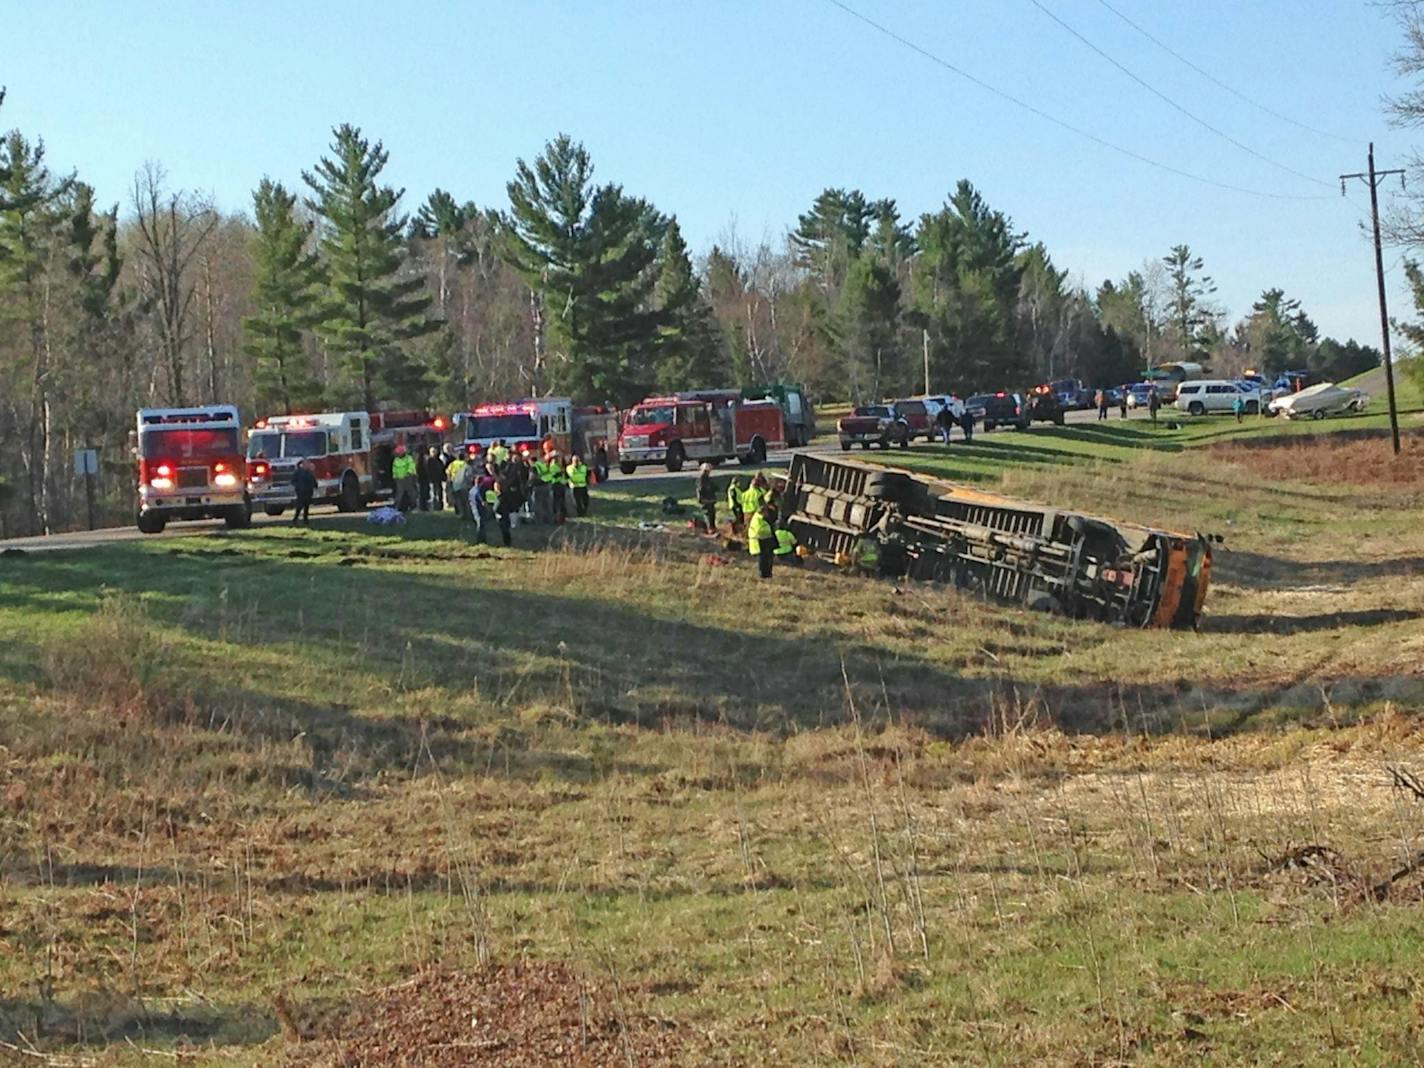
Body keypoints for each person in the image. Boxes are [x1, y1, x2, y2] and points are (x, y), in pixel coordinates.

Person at [747, 502, 776, 579]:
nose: (768, 514)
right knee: (763, 558)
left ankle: (767, 573)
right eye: (767, 512)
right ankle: (763, 574)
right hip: (760, 540)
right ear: (763, 512)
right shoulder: (758, 519)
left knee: (766, 558)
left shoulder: (760, 517)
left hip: (763, 539)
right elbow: (760, 530)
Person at [391, 444, 418, 512]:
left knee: (411, 492)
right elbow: (394, 469)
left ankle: (414, 506)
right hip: (399, 479)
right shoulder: (396, 460)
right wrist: (395, 477)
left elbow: (411, 467)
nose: (398, 454)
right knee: (399, 493)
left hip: (408, 478)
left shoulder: (408, 458)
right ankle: (398, 507)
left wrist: (408, 474)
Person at [291, 459, 317, 525]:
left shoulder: (310, 472)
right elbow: (293, 481)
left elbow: (313, 480)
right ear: (302, 464)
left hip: (308, 491)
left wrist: (315, 486)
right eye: (306, 464)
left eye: (308, 464)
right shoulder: (298, 472)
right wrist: (298, 486)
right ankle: (295, 519)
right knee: (300, 505)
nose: (308, 465)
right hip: (301, 491)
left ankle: (305, 519)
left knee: (307, 506)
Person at [546, 449, 568, 523]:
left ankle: (562, 514)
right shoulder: (552, 465)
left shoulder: (559, 464)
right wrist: (559, 473)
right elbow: (552, 475)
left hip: (561, 484)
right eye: (556, 457)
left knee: (561, 500)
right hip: (556, 485)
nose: (558, 458)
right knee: (557, 501)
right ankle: (557, 515)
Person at [696, 463, 718, 533]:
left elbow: (714, 487)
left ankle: (712, 527)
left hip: (710, 499)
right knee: (708, 513)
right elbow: (700, 489)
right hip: (705, 499)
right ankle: (710, 528)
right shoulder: (702, 479)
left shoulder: (707, 479)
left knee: (712, 513)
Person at [425, 446, 447, 511]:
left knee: (439, 493)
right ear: (430, 453)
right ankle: (434, 507)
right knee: (433, 494)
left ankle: (439, 506)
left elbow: (442, 469)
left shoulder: (439, 460)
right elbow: (427, 471)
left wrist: (443, 477)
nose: (434, 453)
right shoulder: (429, 460)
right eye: (432, 452)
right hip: (432, 479)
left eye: (435, 451)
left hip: (439, 479)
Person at [416, 446, 432, 511]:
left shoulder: (418, 459)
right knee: (423, 493)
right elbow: (425, 469)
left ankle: (422, 506)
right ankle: (423, 506)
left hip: (421, 479)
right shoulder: (423, 459)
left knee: (422, 493)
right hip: (423, 478)